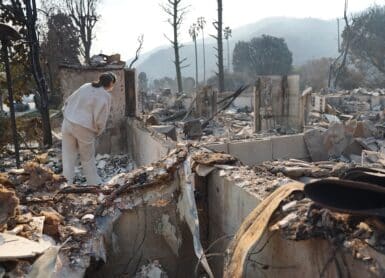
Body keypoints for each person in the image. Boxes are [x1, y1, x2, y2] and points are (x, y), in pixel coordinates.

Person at [61, 72, 116, 185]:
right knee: (87, 159)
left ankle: (66, 184)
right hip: (84, 128)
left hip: (67, 122)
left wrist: (67, 114)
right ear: (111, 83)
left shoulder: (85, 86)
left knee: (68, 157)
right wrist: (98, 132)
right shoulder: (105, 96)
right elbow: (101, 119)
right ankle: (94, 184)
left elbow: (68, 101)